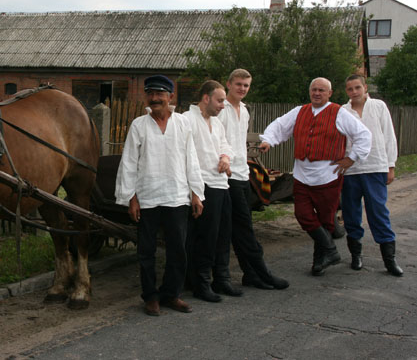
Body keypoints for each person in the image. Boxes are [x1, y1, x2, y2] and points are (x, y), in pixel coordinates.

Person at [259, 77, 372, 276]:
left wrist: (351, 158)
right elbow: (279, 126)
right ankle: (331, 251)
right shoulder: (299, 111)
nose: (317, 93)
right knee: (303, 215)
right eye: (314, 90)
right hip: (302, 174)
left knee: (326, 220)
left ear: (329, 93)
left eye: (321, 90)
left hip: (328, 175)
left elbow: (363, 135)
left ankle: (319, 261)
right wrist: (268, 140)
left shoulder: (339, 113)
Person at [115, 74, 205, 316]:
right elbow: (129, 163)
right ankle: (150, 297)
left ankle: (171, 294)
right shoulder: (139, 125)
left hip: (177, 196)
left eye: (160, 94)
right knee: (146, 252)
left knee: (178, 249)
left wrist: (196, 193)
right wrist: (131, 198)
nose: (155, 98)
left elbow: (191, 159)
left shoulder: (182, 124)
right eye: (151, 94)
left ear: (170, 96)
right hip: (148, 198)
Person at [217, 69, 289, 293]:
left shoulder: (245, 110)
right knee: (239, 228)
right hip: (226, 176)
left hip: (242, 173)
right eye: (238, 84)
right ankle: (259, 272)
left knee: (242, 227)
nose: (242, 89)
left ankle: (250, 274)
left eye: (246, 85)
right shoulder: (221, 109)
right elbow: (216, 141)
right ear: (229, 84)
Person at [341, 74, 403, 276]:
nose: (354, 92)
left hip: (375, 166)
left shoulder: (378, 106)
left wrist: (390, 165)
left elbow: (389, 135)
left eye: (357, 87)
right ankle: (356, 256)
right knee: (351, 213)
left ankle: (389, 260)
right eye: (350, 89)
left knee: (378, 212)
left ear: (365, 87)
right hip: (351, 170)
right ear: (346, 91)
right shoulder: (342, 111)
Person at [183, 80, 234, 303]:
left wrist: (225, 157)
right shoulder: (187, 120)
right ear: (206, 98)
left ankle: (221, 279)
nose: (223, 105)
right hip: (203, 185)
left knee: (223, 234)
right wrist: (194, 190)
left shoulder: (217, 122)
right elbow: (185, 155)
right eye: (220, 100)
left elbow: (225, 144)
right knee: (205, 237)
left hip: (221, 184)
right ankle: (200, 283)